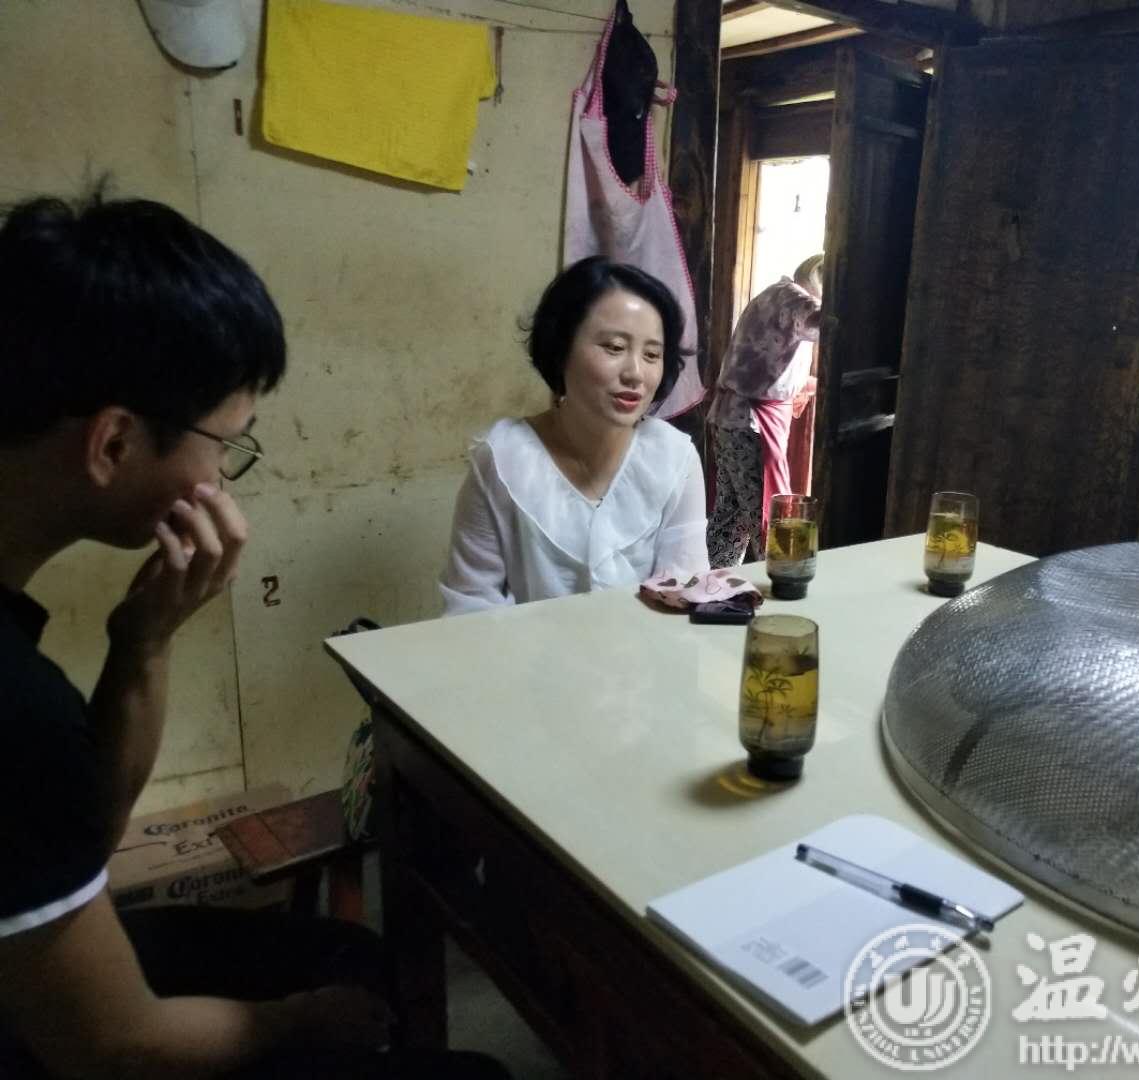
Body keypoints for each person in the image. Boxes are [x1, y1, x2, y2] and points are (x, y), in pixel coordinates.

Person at [0, 191, 506, 1079]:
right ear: (112, 444)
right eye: (227, 445)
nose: (224, 481)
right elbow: (115, 1047)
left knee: (349, 955)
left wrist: (144, 640)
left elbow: (77, 832)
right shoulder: (15, 709)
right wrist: (297, 1024)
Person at [440, 257, 708, 613]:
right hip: (528, 649)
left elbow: (685, 591)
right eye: (615, 347)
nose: (635, 373)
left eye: (652, 354)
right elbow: (471, 602)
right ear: (561, 347)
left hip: (648, 647)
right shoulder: (504, 457)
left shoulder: (674, 457)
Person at [706, 255, 824, 568]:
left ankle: (718, 582)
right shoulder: (794, 298)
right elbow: (821, 322)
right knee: (770, 514)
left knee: (731, 515)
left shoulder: (775, 295)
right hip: (752, 423)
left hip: (732, 418)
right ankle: (779, 582)